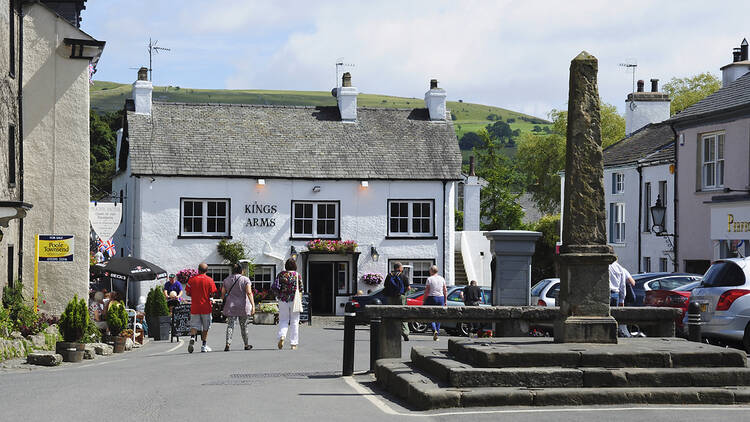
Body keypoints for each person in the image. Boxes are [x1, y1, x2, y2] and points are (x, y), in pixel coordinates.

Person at [271, 258, 304, 350]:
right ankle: (293, 343)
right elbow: (301, 289)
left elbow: (275, 287)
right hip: (294, 300)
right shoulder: (297, 275)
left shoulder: (281, 275)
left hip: (283, 300)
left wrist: (279, 296)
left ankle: (282, 336)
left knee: (283, 320)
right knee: (294, 321)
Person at [222, 263, 255, 351]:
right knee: (244, 326)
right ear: (241, 271)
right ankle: (246, 344)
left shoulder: (226, 280)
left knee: (230, 325)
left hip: (231, 306)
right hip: (243, 306)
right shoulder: (245, 279)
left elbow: (223, 293)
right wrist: (253, 305)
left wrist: (224, 301)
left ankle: (228, 344)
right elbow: (249, 292)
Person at [185, 263, 217, 353]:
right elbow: (213, 293)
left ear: (198, 270)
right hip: (206, 307)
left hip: (195, 306)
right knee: (205, 327)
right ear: (206, 271)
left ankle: (192, 337)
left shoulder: (191, 280)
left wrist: (194, 294)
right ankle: (204, 346)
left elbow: (187, 293)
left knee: (194, 325)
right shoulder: (209, 280)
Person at [383, 262, 410, 341]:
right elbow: (408, 288)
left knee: (391, 314)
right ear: (399, 268)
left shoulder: (389, 276)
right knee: (403, 314)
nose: (402, 269)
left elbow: (385, 286)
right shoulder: (403, 276)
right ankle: (405, 332)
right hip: (400, 297)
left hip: (390, 297)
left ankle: (392, 332)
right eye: (402, 267)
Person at [423, 265, 448, 341]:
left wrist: (424, 300)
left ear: (431, 271)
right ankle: (437, 331)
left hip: (432, 297)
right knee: (438, 316)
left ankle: (434, 330)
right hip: (440, 298)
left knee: (430, 315)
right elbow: (445, 290)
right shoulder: (442, 278)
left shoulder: (429, 279)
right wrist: (445, 301)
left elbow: (427, 290)